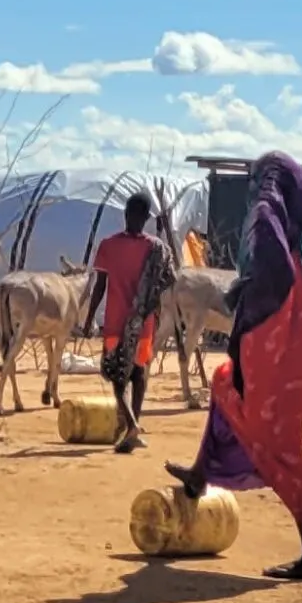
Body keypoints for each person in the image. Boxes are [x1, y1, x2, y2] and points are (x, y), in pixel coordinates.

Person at [169, 152, 302, 581]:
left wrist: (242, 298)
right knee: (226, 384)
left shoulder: (265, 216)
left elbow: (269, 272)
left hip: (277, 340)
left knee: (279, 443)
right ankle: (201, 473)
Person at [84, 191, 175, 454]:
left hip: (117, 321)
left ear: (126, 214)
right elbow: (166, 282)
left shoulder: (109, 245)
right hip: (142, 323)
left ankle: (131, 427)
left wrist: (90, 318)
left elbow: (100, 287)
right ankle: (132, 427)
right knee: (136, 373)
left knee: (120, 375)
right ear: (146, 218)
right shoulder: (156, 249)